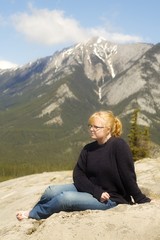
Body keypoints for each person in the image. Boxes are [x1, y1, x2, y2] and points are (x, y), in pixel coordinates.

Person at [16, 110, 151, 221]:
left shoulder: (119, 146)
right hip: (92, 190)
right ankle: (35, 210)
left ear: (108, 129)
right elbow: (78, 175)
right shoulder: (88, 148)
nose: (91, 129)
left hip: (111, 199)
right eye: (90, 126)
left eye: (96, 127)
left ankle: (33, 214)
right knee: (51, 190)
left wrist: (141, 199)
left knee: (65, 198)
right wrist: (96, 191)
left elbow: (128, 177)